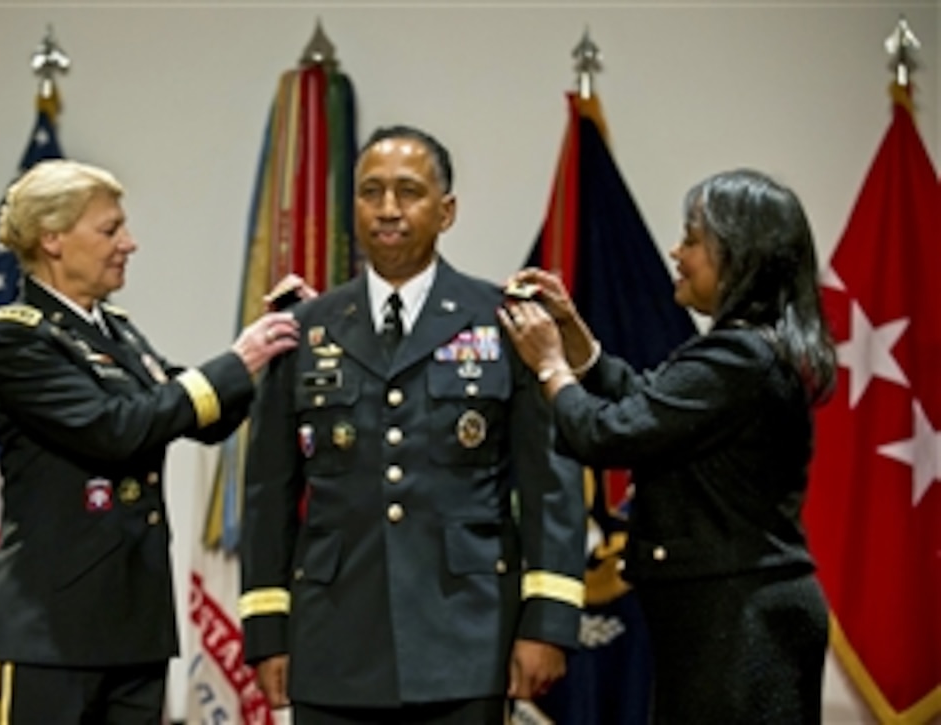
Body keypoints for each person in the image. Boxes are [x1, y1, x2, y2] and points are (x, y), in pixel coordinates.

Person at [238, 125, 587, 724]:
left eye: (408, 192)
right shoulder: (306, 327)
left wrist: (548, 622)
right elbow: (270, 491)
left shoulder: (501, 319)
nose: (388, 210)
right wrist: (268, 630)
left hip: (467, 635)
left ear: (446, 211)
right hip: (334, 639)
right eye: (371, 192)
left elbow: (549, 485)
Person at [0, 159, 299, 723]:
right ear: (53, 239)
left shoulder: (113, 330)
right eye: (110, 229)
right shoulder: (17, 337)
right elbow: (115, 430)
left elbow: (200, 417)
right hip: (46, 632)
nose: (130, 243)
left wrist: (265, 352)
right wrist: (236, 362)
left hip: (132, 627)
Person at [499, 168, 837, 724]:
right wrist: (577, 338)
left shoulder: (739, 359)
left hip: (738, 623)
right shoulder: (746, 353)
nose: (676, 252)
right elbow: (650, 403)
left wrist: (550, 366)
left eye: (693, 239)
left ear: (738, 254)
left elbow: (607, 433)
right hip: (729, 616)